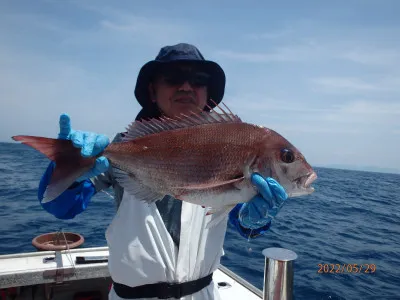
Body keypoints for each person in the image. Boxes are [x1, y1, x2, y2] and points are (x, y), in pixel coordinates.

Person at [37, 43, 288, 300]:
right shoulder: (123, 145)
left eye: (198, 80)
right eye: (173, 78)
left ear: (207, 94)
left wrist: (252, 220)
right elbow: (61, 206)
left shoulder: (229, 145)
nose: (186, 87)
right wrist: (65, 166)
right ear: (152, 91)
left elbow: (237, 215)